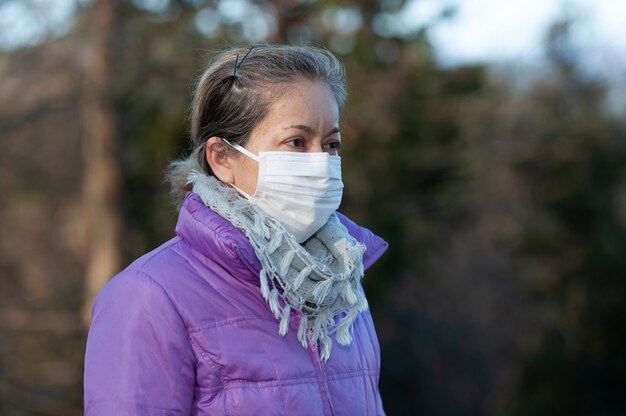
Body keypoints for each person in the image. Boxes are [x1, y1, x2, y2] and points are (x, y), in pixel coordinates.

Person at [84, 44, 388, 416]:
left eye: (331, 144)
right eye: (296, 142)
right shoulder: (148, 297)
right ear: (223, 158)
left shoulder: (341, 285)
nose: (321, 163)